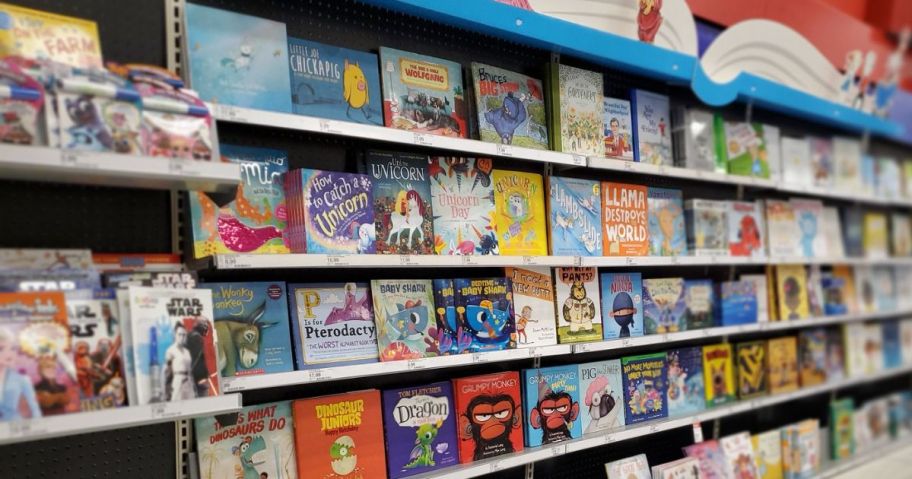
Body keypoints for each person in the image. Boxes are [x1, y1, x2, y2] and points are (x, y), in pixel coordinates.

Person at [0, 327, 41, 420]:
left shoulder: (22, 379)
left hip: (15, 427)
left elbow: (35, 410)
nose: (9, 353)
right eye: (1, 349)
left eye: (12, 348)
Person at [164, 321, 195, 400]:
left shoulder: (187, 352)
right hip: (178, 381)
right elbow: (167, 372)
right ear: (175, 335)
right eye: (179, 334)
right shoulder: (170, 351)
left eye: (184, 335)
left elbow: (190, 369)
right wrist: (167, 389)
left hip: (189, 383)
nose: (182, 337)